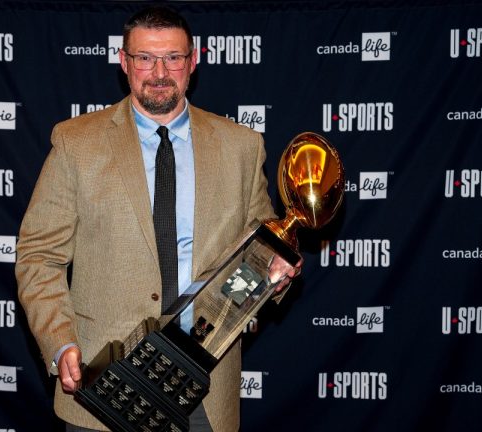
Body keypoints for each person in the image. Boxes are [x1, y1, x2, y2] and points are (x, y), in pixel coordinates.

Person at [15, 6, 299, 432]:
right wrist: (60, 343)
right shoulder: (76, 143)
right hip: (104, 383)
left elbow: (261, 247)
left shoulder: (241, 146)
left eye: (173, 58)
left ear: (193, 62)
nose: (159, 72)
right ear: (124, 62)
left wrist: (277, 270)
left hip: (206, 388)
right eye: (145, 57)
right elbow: (38, 256)